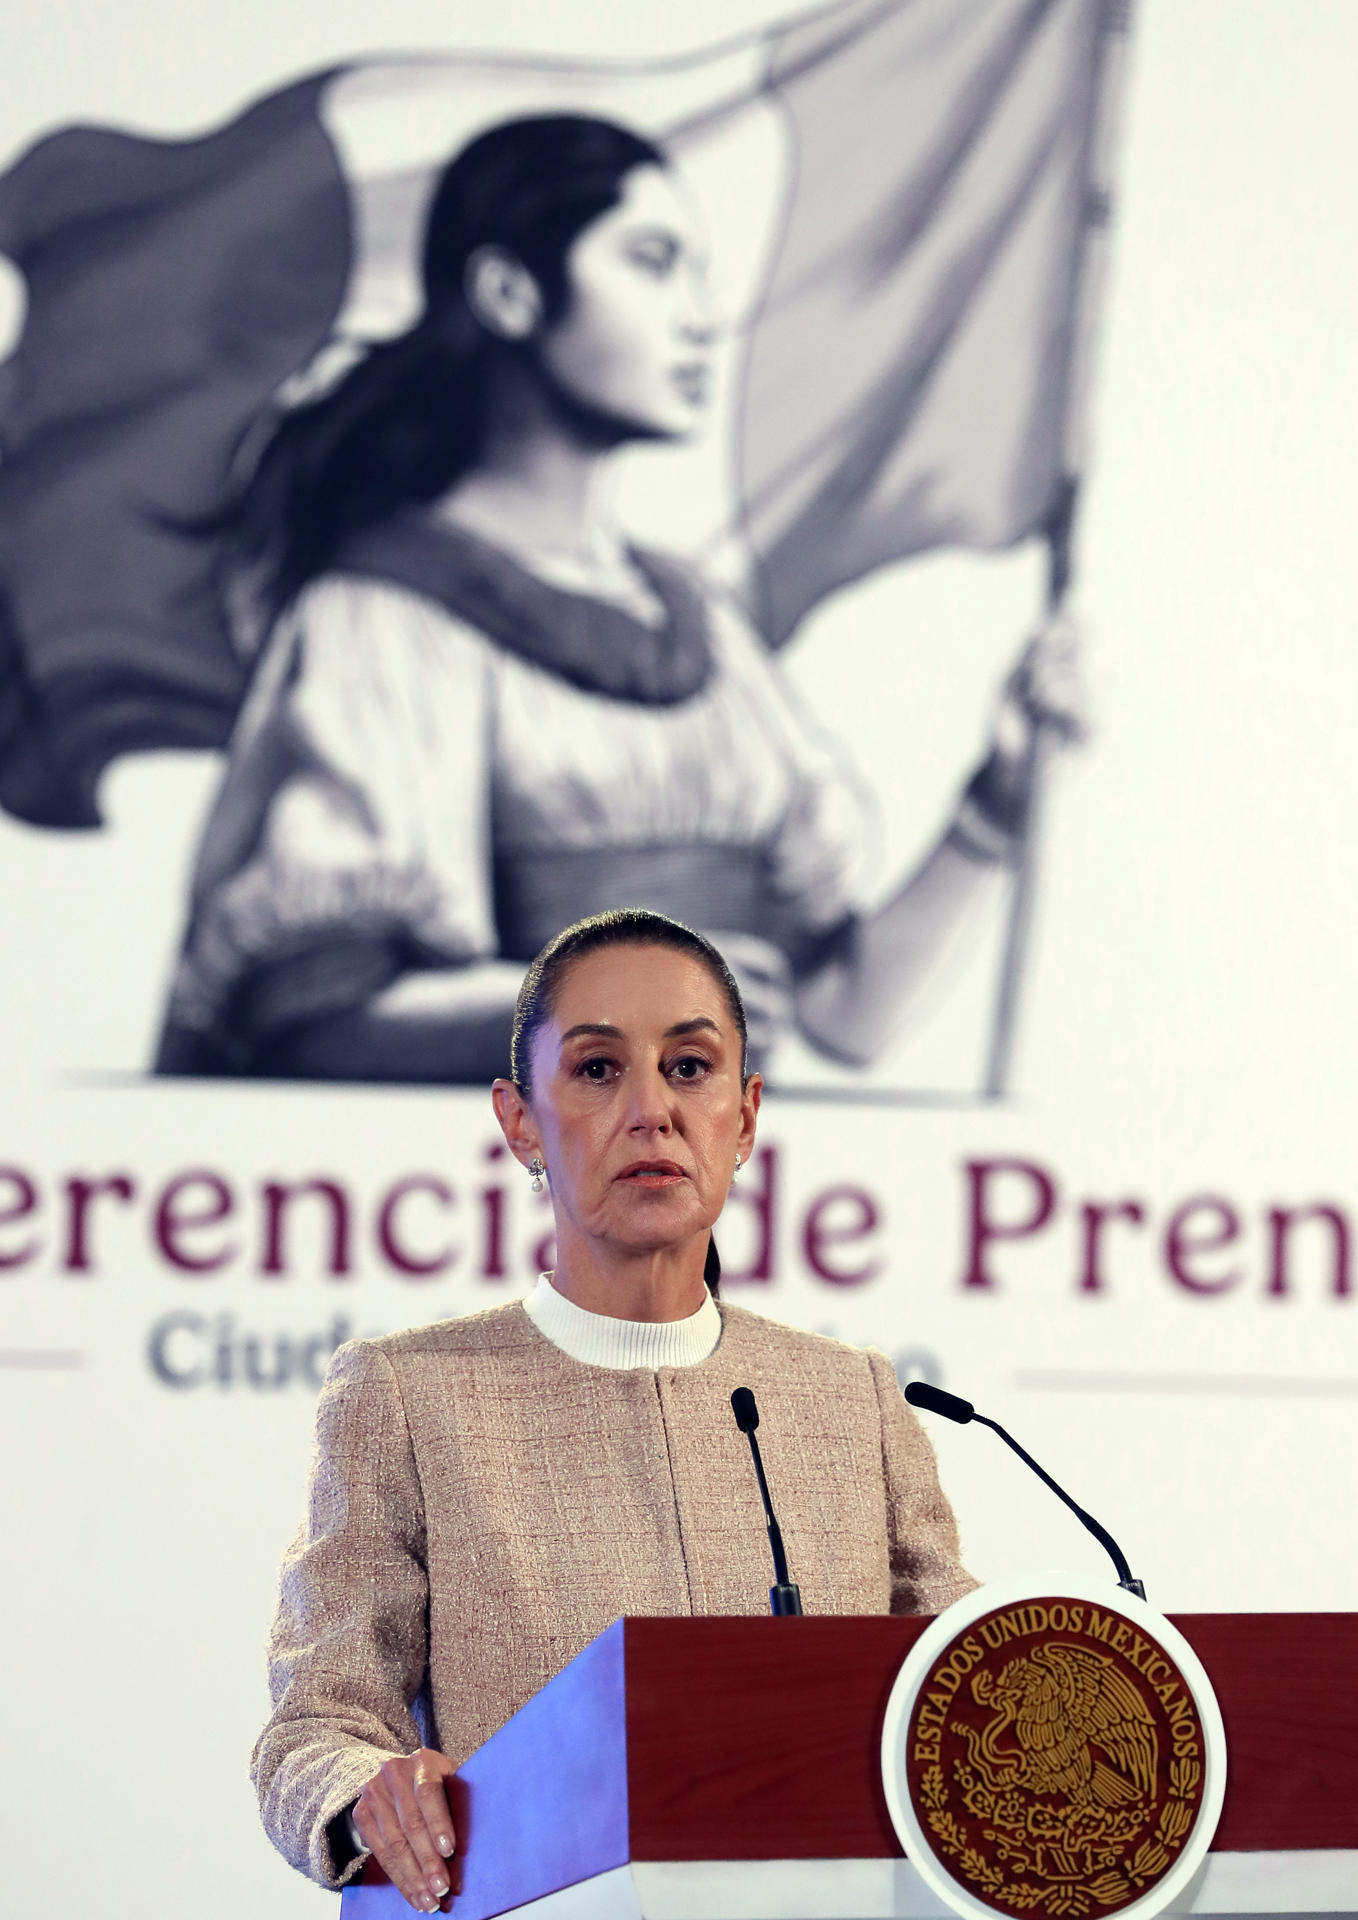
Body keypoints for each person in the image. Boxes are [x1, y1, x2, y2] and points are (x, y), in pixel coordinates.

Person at [156, 112, 1079, 1086]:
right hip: (474, 1210)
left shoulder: (699, 627)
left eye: (695, 271)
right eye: (650, 261)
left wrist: (997, 799)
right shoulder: (381, 617)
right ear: (508, 293)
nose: (698, 314)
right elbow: (318, 1026)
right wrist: (616, 1006)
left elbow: (843, 1016)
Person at [251, 910, 976, 1907]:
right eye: (597, 1070)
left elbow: (972, 1687)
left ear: (747, 1114)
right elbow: (315, 1727)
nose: (651, 1111)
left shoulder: (848, 1401)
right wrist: (364, 1790)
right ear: (519, 1122)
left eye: (689, 1067)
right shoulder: (410, 1395)